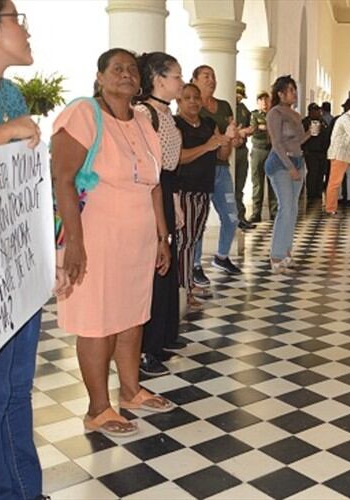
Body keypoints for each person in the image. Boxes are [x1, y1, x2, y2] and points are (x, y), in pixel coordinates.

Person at [52, 48, 175, 439]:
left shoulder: (142, 122)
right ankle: (97, 409)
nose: (126, 75)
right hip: (96, 236)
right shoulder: (84, 114)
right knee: (96, 321)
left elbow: (153, 184)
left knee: (131, 316)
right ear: (100, 76)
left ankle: (130, 390)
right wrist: (74, 242)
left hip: (137, 239)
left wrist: (161, 236)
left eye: (132, 70)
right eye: (116, 69)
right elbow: (63, 179)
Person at [0, 2, 47, 498]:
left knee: (17, 390)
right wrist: (0, 137)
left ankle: (25, 488)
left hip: (16, 267)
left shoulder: (9, 92)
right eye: (16, 19)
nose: (25, 29)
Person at [134, 52, 185, 376]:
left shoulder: (166, 113)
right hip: (151, 190)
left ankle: (163, 336)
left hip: (166, 188)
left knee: (168, 266)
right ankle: (144, 350)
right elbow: (150, 166)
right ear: (158, 78)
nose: (181, 81)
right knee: (155, 267)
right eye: (176, 76)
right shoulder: (144, 113)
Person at [175, 84, 231, 308]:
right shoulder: (175, 124)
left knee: (195, 238)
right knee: (185, 242)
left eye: (196, 97)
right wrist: (207, 146)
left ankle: (188, 282)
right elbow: (178, 157)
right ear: (178, 101)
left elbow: (221, 153)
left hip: (203, 189)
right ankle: (183, 289)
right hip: (184, 189)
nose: (193, 102)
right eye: (187, 98)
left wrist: (226, 141)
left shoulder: (208, 123)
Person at [191, 65, 243, 285]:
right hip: (200, 169)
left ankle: (221, 257)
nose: (211, 80)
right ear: (194, 80)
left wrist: (235, 138)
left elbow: (231, 136)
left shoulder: (223, 106)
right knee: (199, 219)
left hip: (221, 168)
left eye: (213, 76)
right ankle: (194, 265)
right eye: (206, 76)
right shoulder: (192, 106)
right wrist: (225, 137)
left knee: (231, 217)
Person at [265, 76, 310, 273]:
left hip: (298, 161)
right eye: (290, 90)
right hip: (281, 164)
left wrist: (310, 133)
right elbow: (277, 143)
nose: (294, 94)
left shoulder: (295, 114)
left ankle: (286, 252)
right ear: (280, 94)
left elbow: (298, 140)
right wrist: (290, 167)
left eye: (295, 90)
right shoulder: (275, 113)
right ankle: (276, 255)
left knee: (292, 210)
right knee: (285, 208)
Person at [248, 91, 277, 222]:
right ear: (258, 103)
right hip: (258, 150)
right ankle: (256, 212)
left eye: (267, 101)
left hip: (272, 151)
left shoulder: (274, 115)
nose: (264, 104)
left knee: (273, 182)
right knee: (257, 183)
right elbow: (254, 128)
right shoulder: (254, 115)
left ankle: (274, 211)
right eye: (261, 101)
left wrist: (265, 127)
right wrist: (263, 127)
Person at [233, 80, 255, 230]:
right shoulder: (227, 107)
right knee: (231, 187)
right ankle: (233, 218)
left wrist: (249, 130)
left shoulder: (244, 109)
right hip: (230, 151)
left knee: (239, 186)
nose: (239, 98)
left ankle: (241, 216)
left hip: (242, 150)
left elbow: (251, 125)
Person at [302, 102, 329, 200]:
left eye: (318, 110)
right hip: (311, 152)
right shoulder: (305, 122)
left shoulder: (323, 122)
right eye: (315, 111)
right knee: (313, 172)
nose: (317, 113)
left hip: (322, 151)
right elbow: (302, 137)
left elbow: (326, 135)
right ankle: (311, 193)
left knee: (320, 172)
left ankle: (318, 192)